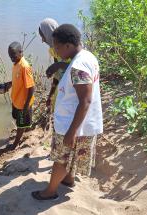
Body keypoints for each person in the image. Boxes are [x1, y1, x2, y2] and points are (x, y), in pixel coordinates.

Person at [32, 24, 103, 200]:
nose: (55, 50)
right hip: (81, 123)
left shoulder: (79, 66)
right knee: (71, 156)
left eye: (57, 47)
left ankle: (50, 192)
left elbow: (85, 101)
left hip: (74, 124)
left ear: (68, 46)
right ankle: (69, 180)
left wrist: (71, 132)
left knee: (61, 159)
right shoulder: (86, 56)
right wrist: (60, 66)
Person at [3, 41, 35, 150]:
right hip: (16, 100)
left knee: (21, 124)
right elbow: (18, 80)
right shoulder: (16, 64)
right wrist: (9, 84)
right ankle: (24, 131)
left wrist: (26, 106)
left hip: (23, 104)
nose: (11, 58)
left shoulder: (24, 66)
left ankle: (15, 144)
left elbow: (31, 87)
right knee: (18, 121)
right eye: (10, 56)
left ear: (21, 52)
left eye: (13, 55)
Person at [39, 18, 69, 109]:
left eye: (43, 36)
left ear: (49, 33)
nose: (42, 40)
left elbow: (76, 68)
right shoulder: (53, 50)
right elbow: (58, 73)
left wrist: (57, 65)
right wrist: (50, 95)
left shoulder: (68, 46)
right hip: (63, 85)